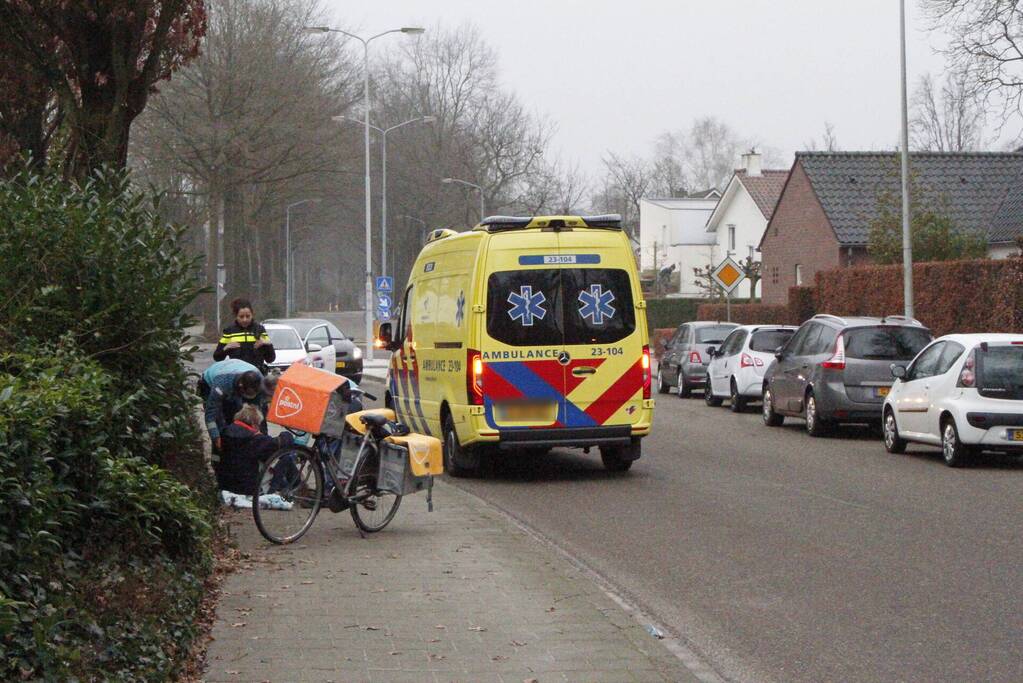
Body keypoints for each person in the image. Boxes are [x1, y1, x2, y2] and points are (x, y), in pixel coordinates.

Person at [215, 404, 294, 496]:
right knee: (285, 458)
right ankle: (273, 492)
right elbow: (281, 443)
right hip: (247, 488)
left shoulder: (223, 432)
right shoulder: (255, 439)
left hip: (225, 484)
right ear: (254, 424)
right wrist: (286, 433)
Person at [200, 358, 276, 453]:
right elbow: (210, 416)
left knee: (244, 414)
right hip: (209, 382)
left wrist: (259, 435)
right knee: (221, 419)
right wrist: (216, 436)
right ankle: (219, 454)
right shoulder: (221, 385)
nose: (250, 397)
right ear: (241, 386)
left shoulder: (259, 381)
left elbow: (258, 412)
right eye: (248, 394)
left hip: (237, 373)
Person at [213, 297, 276, 375]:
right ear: (236, 316)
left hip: (257, 377)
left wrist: (267, 344)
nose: (245, 320)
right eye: (241, 317)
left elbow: (271, 359)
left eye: (248, 316)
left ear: (252, 315)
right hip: (237, 377)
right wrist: (226, 347)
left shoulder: (260, 329)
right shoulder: (229, 332)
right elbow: (217, 357)